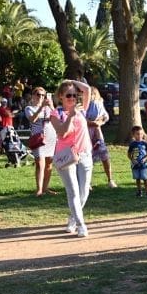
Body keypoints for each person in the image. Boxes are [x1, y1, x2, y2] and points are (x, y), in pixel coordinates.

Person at [50, 79, 93, 237]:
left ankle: (73, 219)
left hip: (84, 154)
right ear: (61, 96)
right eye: (68, 95)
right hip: (66, 156)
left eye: (75, 95)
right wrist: (70, 116)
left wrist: (70, 81)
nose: (72, 98)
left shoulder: (82, 110)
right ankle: (81, 225)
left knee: (84, 192)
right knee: (73, 192)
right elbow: (62, 133)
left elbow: (87, 89)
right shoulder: (56, 114)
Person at [24, 88, 57, 196]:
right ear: (33, 95)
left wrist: (51, 106)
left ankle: (45, 188)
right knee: (40, 163)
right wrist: (41, 107)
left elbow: (57, 117)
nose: (41, 97)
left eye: (43, 95)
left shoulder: (48, 107)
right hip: (38, 138)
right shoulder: (29, 108)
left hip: (50, 136)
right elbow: (32, 119)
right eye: (38, 94)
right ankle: (39, 189)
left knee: (49, 163)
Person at [85, 87, 117, 188]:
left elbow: (105, 116)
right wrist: (90, 123)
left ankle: (110, 179)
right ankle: (87, 182)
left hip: (97, 133)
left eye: (92, 94)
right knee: (88, 157)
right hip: (86, 134)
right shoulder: (83, 104)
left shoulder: (98, 103)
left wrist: (100, 122)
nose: (91, 96)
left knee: (104, 155)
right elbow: (80, 118)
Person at [127, 125, 147, 199]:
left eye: (141, 134)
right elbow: (129, 154)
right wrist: (132, 160)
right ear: (133, 135)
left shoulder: (144, 143)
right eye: (137, 134)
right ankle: (139, 191)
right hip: (135, 165)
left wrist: (145, 159)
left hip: (143, 165)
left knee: (145, 178)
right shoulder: (132, 144)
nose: (140, 136)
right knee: (137, 178)